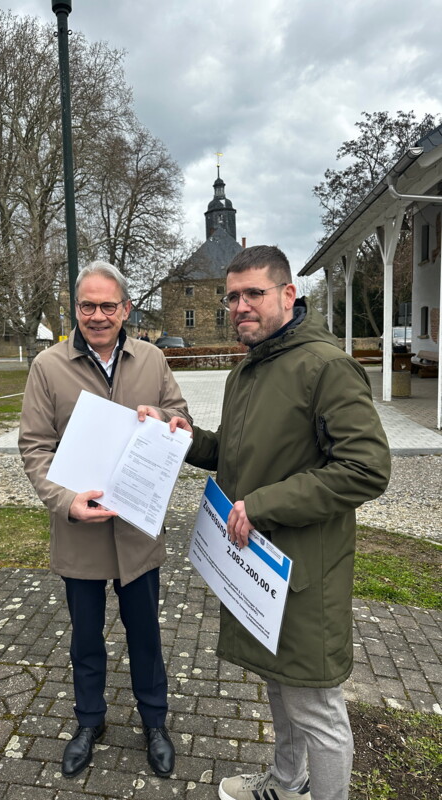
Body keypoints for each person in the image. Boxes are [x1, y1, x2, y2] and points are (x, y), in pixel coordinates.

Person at [140, 245, 391, 800]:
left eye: (254, 293)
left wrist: (265, 505)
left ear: (287, 295)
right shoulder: (247, 372)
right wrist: (177, 430)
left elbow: (367, 469)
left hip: (306, 570)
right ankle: (284, 782)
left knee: (316, 707)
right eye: (232, 296)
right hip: (260, 568)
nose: (240, 306)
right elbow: (230, 454)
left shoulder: (325, 366)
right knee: (281, 685)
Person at [19, 261, 191, 780]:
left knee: (146, 635)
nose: (97, 315)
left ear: (126, 309)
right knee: (85, 637)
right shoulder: (47, 367)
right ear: (75, 309)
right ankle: (88, 721)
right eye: (87, 306)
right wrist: (62, 500)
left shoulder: (154, 360)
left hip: (137, 529)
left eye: (107, 306)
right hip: (81, 532)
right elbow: (34, 447)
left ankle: (155, 722)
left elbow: (181, 418)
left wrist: (171, 423)